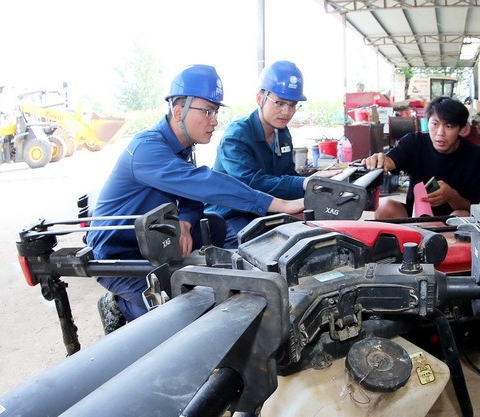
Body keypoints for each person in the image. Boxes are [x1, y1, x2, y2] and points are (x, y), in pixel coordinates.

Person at [86, 64, 305, 326]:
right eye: (208, 111)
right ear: (179, 111)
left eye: (215, 112)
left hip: (157, 238)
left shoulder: (183, 146)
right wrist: (278, 204)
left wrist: (187, 221)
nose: (214, 120)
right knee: (169, 326)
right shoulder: (147, 149)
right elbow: (202, 182)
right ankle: (119, 306)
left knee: (218, 232)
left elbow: (191, 196)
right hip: (120, 252)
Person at [206, 60, 311, 248]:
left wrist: (315, 185)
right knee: (260, 251)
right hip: (232, 214)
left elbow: (286, 174)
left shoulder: (283, 133)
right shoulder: (236, 136)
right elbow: (253, 182)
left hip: (267, 209)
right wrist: (304, 184)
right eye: (279, 103)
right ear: (260, 98)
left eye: (292, 104)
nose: (287, 112)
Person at [362, 96, 480, 219]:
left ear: (462, 129)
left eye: (449, 126)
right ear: (427, 123)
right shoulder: (415, 142)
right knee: (384, 206)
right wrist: (380, 160)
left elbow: (471, 207)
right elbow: (391, 160)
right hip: (413, 217)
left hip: (449, 221)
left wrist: (451, 196)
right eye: (435, 124)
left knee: (462, 216)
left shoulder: (475, 156)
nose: (440, 133)